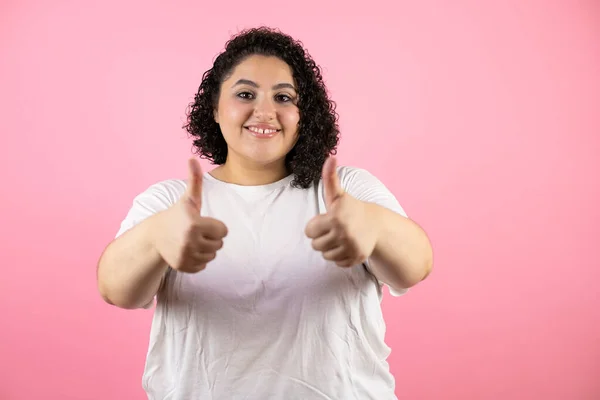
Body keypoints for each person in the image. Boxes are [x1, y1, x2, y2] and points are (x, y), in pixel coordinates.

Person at [96, 26, 433, 400]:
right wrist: (157, 237)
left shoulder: (346, 188)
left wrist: (373, 226)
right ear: (215, 108)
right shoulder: (169, 202)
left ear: (304, 114)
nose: (266, 112)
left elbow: (415, 265)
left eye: (284, 97)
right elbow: (115, 289)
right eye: (245, 94)